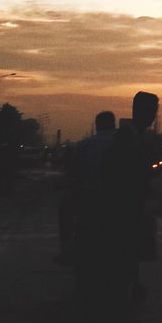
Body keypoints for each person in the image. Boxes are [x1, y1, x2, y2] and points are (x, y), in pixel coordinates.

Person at [102, 91, 161, 299]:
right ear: (138, 111)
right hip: (125, 206)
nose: (153, 115)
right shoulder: (128, 138)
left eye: (154, 111)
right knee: (126, 252)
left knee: (130, 253)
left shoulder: (137, 136)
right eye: (150, 110)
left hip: (131, 204)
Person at [55, 110, 116, 266]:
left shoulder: (85, 145)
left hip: (88, 197)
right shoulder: (124, 144)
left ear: (97, 126)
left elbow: (73, 172)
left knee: (64, 209)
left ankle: (66, 249)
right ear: (113, 124)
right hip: (119, 198)